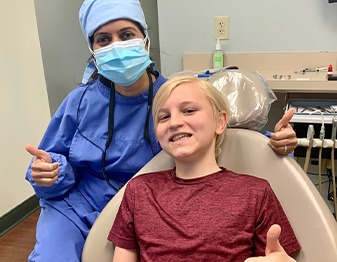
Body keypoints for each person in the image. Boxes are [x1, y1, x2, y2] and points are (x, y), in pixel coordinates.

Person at [25, 0, 297, 261]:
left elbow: (220, 133)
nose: (116, 46)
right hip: (79, 206)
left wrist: (275, 143)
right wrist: (49, 172)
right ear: (93, 50)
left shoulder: (170, 97)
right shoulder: (79, 102)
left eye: (126, 34)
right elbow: (50, 161)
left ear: (145, 40)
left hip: (151, 206)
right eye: (104, 39)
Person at [108, 75, 301, 261]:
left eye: (189, 111)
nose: (174, 122)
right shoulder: (139, 191)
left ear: (220, 121)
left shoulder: (255, 193)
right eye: (164, 117)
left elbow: (276, 255)